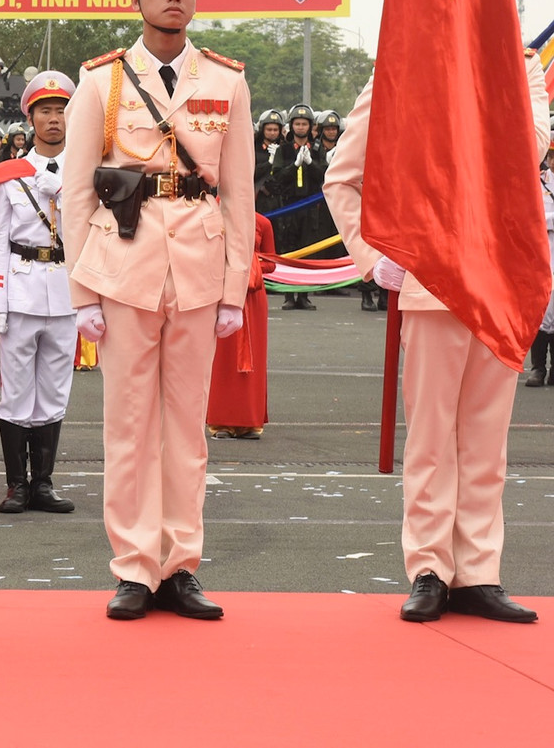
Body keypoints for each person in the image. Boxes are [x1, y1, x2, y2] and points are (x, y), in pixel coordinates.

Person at [60, 0, 251, 623]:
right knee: (129, 425)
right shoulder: (100, 79)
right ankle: (135, 565)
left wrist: (235, 288)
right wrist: (83, 292)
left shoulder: (227, 79)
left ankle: (181, 563)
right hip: (124, 266)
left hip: (198, 266)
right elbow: (77, 193)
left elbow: (239, 192)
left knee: (186, 428)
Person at [324, 55, 549, 624]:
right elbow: (343, 178)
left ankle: (479, 572)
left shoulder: (515, 64)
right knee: (430, 433)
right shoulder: (403, 61)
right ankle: (429, 568)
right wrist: (375, 260)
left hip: (501, 280)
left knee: (485, 438)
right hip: (433, 280)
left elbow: (532, 144)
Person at [0, 71, 80, 514]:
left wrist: (62, 189)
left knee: (55, 391)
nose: (54, 119)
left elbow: (95, 228)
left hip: (66, 290)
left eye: (61, 110)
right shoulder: (10, 174)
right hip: (22, 288)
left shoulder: (85, 169)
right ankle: (16, 485)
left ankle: (43, 482)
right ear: (30, 118)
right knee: (17, 391)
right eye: (46, 111)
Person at [208, 213, 276, 439]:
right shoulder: (209, 214)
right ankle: (220, 421)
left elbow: (271, 263)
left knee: (253, 358)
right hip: (219, 291)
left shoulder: (262, 223)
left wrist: (250, 262)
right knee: (221, 359)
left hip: (252, 296)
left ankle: (249, 422)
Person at [275, 104, 325, 311]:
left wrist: (311, 163)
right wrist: (293, 165)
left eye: (305, 124)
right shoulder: (284, 149)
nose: (301, 127)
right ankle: (288, 294)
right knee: (289, 249)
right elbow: (277, 178)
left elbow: (324, 175)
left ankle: (304, 295)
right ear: (291, 126)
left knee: (308, 249)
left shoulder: (316, 148)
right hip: (288, 206)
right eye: (297, 123)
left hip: (309, 206)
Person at [531, 141, 554, 387]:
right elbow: (531, 214)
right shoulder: (537, 182)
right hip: (543, 252)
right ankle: (538, 368)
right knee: (540, 311)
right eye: (551, 155)